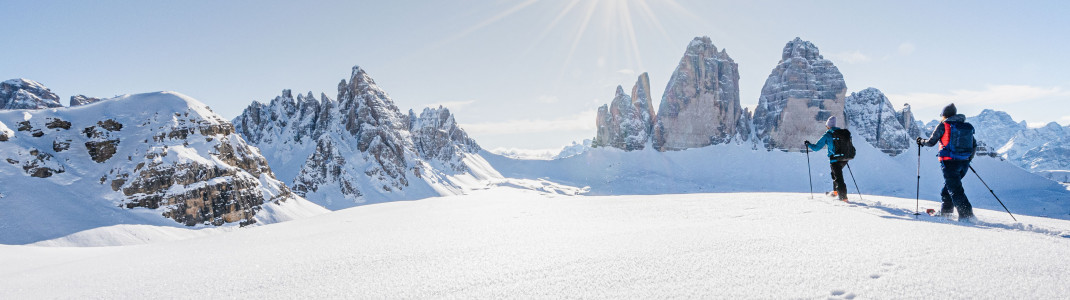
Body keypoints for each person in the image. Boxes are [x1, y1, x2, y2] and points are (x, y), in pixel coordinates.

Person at [917, 103, 976, 221]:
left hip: (950, 163)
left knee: (955, 190)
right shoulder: (965, 126)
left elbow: (931, 142)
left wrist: (921, 141)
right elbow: (974, 145)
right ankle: (946, 213)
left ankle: (967, 216)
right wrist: (968, 159)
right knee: (948, 190)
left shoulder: (944, 125)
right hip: (964, 163)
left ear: (944, 115)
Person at [805, 116, 848, 202]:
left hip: (835, 159)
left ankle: (843, 198)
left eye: (826, 126)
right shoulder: (842, 133)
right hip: (844, 158)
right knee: (835, 175)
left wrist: (808, 144)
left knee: (838, 177)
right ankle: (836, 193)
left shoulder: (828, 134)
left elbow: (816, 148)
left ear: (828, 126)